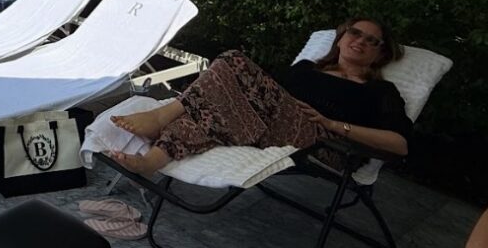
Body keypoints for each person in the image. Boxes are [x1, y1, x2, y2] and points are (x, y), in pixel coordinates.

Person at [108, 18, 411, 177]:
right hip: (272, 126)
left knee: (233, 59)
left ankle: (161, 115)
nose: (361, 41)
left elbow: (400, 144)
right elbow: (262, 92)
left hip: (324, 143)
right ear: (342, 37)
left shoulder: (379, 91)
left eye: (372, 41)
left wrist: (333, 124)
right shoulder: (307, 69)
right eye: (355, 33)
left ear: (380, 54)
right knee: (207, 112)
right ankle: (151, 162)